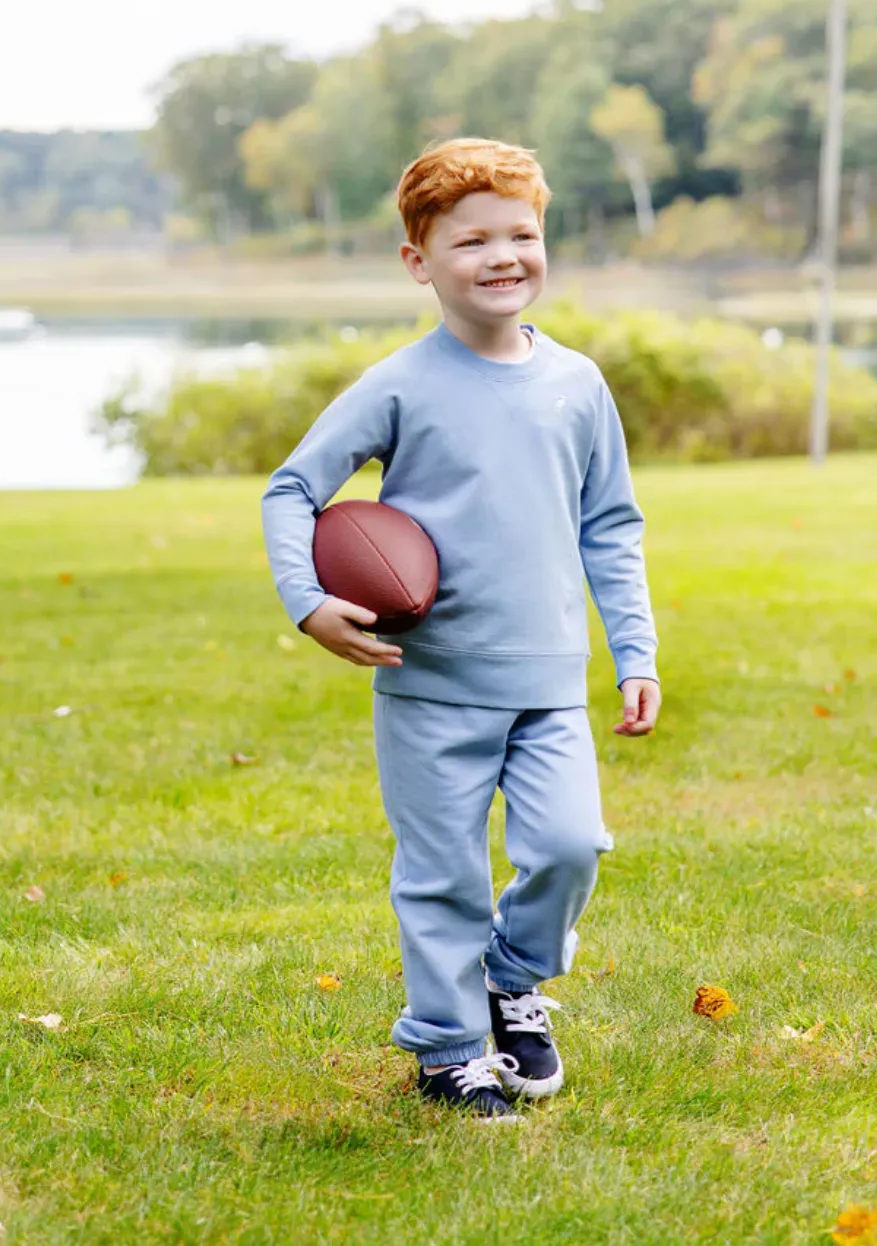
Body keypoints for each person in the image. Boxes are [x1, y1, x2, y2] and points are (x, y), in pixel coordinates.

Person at [262, 137, 661, 1122]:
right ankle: (447, 1051)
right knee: (440, 874)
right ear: (419, 262)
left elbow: (610, 525)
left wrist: (636, 650)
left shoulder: (577, 384)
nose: (501, 256)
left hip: (547, 682)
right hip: (430, 680)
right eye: (471, 240)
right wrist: (308, 601)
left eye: (521, 234)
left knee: (569, 843)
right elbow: (294, 487)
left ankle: (510, 978)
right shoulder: (401, 383)